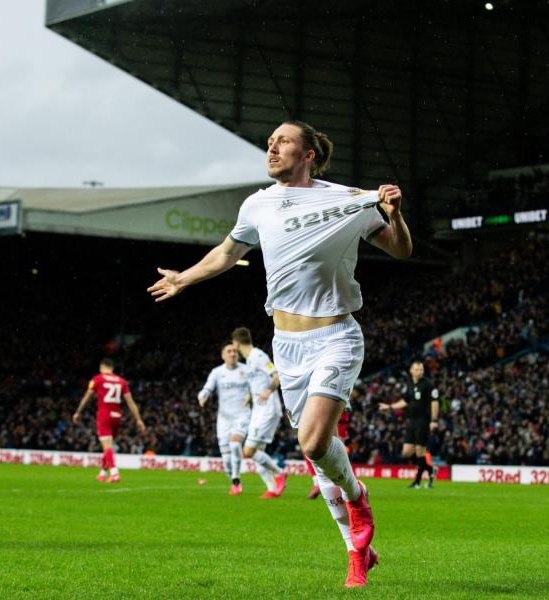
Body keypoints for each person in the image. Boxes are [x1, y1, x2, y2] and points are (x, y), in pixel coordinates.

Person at [148, 120, 412, 587]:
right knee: (317, 457)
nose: (271, 148)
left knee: (313, 443)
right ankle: (357, 551)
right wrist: (185, 278)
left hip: (335, 336)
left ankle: (358, 497)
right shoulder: (257, 204)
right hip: (286, 345)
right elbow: (228, 252)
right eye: (269, 143)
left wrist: (394, 213)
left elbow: (401, 251)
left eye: (283, 142)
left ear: (309, 154)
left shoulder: (348, 200)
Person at [231, 327, 287, 498]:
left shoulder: (259, 356)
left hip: (268, 409)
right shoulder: (249, 362)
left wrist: (268, 391)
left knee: (248, 451)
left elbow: (276, 376)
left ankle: (280, 473)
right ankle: (272, 489)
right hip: (258, 409)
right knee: (258, 453)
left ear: (236, 343)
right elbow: (257, 383)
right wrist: (249, 396)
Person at [73, 358, 146, 483]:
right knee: (108, 447)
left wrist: (78, 412)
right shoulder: (122, 381)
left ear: (102, 367)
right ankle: (102, 473)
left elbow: (87, 397)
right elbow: (130, 402)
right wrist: (138, 419)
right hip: (117, 416)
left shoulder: (98, 379)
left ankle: (114, 473)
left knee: (107, 447)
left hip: (104, 415)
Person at [197, 343, 252, 495]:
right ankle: (233, 480)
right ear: (223, 355)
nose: (233, 353)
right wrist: (203, 396)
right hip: (224, 419)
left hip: (242, 415)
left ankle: (236, 479)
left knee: (235, 444)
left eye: (235, 351)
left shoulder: (246, 370)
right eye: (229, 351)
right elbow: (207, 388)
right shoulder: (217, 372)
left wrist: (251, 396)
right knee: (226, 460)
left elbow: (256, 387)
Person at [378, 360, 439, 489]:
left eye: (421, 369)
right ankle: (430, 469)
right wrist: (388, 406)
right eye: (417, 369)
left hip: (423, 421)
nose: (419, 372)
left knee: (419, 452)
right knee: (406, 453)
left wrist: (434, 421)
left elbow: (435, 403)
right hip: (412, 421)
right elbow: (405, 401)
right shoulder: (410, 384)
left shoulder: (428, 385)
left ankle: (417, 482)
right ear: (411, 371)